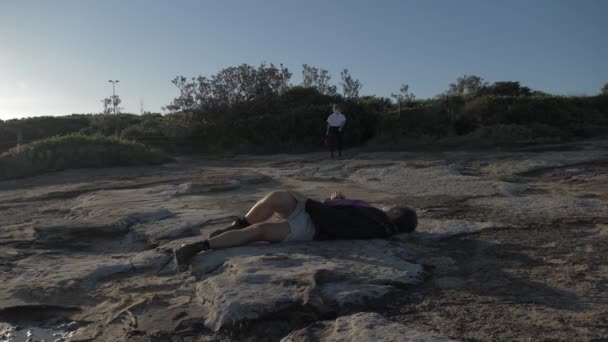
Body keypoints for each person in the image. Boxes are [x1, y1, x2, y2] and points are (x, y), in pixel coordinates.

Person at [173, 190, 417, 266]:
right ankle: (225, 232)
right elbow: (345, 212)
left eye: (395, 209)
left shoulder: (378, 224)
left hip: (314, 226)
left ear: (396, 214)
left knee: (262, 231)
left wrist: (310, 204)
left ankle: (201, 245)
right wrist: (337, 199)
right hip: (316, 217)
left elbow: (343, 224)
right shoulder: (377, 219)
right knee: (276, 199)